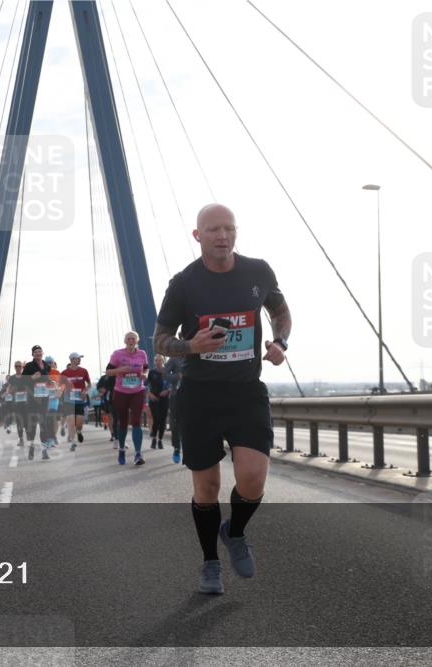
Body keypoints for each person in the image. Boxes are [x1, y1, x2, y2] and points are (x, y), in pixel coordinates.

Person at [153, 203, 291, 595]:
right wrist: (189, 344)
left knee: (252, 479)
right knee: (207, 488)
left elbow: (281, 312)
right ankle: (210, 562)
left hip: (246, 390)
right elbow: (159, 340)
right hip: (199, 395)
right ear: (198, 236)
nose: (222, 235)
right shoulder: (183, 284)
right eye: (213, 229)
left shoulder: (258, 271)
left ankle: (236, 532)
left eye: (228, 228)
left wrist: (280, 342)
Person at [106, 332, 149, 465]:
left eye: (133, 339)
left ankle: (138, 454)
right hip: (121, 392)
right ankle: (122, 449)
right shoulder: (117, 354)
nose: (131, 341)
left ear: (137, 340)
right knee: (123, 422)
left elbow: (146, 369)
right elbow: (108, 371)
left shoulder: (142, 354)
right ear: (125, 341)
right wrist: (121, 369)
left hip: (138, 391)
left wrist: (144, 375)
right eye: (128, 339)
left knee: (136, 421)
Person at [21, 345, 54, 460]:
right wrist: (32, 378)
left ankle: (44, 451)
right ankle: (31, 448)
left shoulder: (46, 365)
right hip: (32, 400)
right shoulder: (29, 366)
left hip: (44, 398)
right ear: (33, 354)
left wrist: (50, 382)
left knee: (43, 424)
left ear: (43, 353)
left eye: (40, 351)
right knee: (33, 426)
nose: (38, 353)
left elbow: (46, 379)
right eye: (36, 352)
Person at [60, 352, 91, 450]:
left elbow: (89, 384)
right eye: (78, 358)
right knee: (71, 423)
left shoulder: (84, 371)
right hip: (68, 401)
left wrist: (85, 391)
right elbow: (60, 386)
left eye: (80, 358)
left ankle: (79, 432)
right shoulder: (64, 373)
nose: (80, 360)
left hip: (80, 401)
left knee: (79, 424)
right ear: (72, 360)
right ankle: (73, 442)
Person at [164, 355, 185, 464]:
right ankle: (177, 448)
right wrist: (178, 376)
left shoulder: (197, 356)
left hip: (193, 395)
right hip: (176, 395)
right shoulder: (174, 358)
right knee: (175, 422)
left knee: (190, 422)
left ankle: (188, 448)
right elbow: (165, 374)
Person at [146, 354, 170, 450]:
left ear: (163, 361)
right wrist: (149, 394)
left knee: (162, 420)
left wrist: (167, 391)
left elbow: (173, 384)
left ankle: (160, 440)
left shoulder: (168, 371)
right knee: (156, 419)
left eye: (160, 360)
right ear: (154, 362)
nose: (158, 362)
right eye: (156, 360)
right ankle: (154, 439)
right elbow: (146, 385)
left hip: (165, 399)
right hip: (153, 399)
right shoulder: (151, 372)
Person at [5, 362, 28, 445]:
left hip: (26, 403)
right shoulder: (12, 378)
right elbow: (9, 389)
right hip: (16, 403)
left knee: (26, 421)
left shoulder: (25, 377)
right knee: (19, 421)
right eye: (16, 366)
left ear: (22, 367)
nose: (18, 368)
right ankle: (21, 439)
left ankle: (27, 433)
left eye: (20, 366)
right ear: (14, 367)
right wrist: (10, 391)